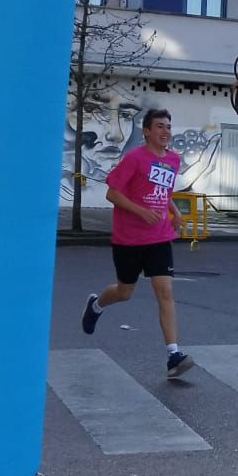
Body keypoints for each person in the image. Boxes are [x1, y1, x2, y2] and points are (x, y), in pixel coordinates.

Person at [81, 106, 191, 378]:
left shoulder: (173, 160)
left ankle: (173, 355)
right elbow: (112, 194)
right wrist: (141, 212)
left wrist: (175, 213)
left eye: (168, 126)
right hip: (129, 238)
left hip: (159, 237)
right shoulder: (134, 159)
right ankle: (96, 306)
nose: (165, 131)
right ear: (146, 131)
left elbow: (162, 192)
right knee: (124, 291)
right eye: (159, 126)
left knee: (165, 292)